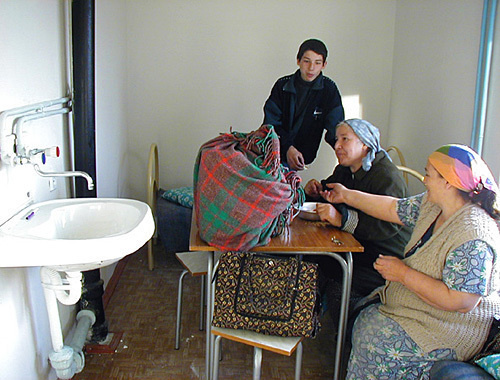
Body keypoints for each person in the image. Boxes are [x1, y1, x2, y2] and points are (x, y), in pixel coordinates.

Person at [322, 144, 500, 379]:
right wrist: (346, 195)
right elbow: (392, 207)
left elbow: (462, 301)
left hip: (451, 327)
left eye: (428, 174)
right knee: (364, 323)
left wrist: (403, 273)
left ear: (448, 182)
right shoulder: (434, 205)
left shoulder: (474, 234)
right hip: (421, 311)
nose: (424, 180)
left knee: (374, 340)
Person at [304, 118, 411, 298]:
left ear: (365, 144)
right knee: (312, 260)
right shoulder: (345, 170)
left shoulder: (386, 177)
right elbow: (328, 191)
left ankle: (342, 321)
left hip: (383, 258)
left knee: (331, 273)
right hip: (357, 246)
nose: (337, 145)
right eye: (337, 139)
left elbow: (387, 225)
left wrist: (341, 219)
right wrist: (314, 193)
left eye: (345, 139)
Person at [263, 38, 344, 170]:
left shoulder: (329, 90)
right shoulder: (282, 85)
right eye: (306, 61)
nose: (311, 68)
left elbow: (336, 128)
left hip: (302, 157)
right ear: (298, 61)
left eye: (317, 63)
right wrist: (288, 147)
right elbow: (270, 125)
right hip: (274, 154)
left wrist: (346, 152)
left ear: (324, 65)